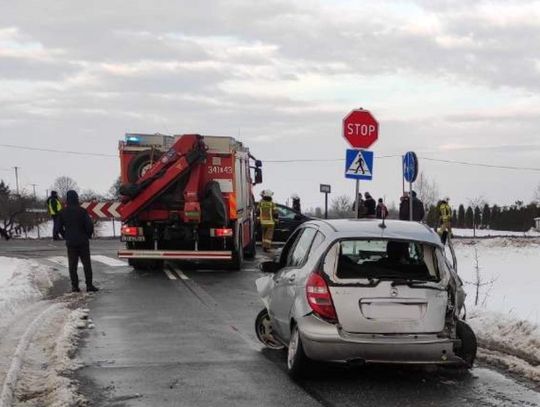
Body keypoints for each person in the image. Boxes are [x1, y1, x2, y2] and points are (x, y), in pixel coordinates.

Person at [58, 190, 98, 293]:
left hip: (71, 242)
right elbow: (89, 225)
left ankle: (75, 286)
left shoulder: (63, 212)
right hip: (83, 241)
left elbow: (58, 227)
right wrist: (87, 235)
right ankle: (89, 285)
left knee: (72, 265)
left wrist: (65, 235)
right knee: (86, 264)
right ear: (76, 198)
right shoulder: (82, 211)